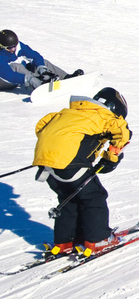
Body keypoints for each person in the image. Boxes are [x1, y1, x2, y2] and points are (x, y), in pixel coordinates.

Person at [33, 87, 131, 256]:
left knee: (69, 197)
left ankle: (65, 241)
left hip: (45, 163)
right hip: (71, 164)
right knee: (94, 197)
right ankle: (98, 239)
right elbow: (122, 132)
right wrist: (111, 158)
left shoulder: (70, 112)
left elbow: (42, 124)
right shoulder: (104, 116)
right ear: (115, 109)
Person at [0, 29, 82, 92]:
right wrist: (29, 79)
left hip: (16, 75)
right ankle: (39, 85)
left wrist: (41, 68)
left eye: (15, 45)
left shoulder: (17, 46)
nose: (14, 49)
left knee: (42, 62)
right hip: (4, 81)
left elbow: (34, 55)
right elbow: (7, 75)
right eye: (10, 48)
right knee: (17, 66)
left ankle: (66, 78)